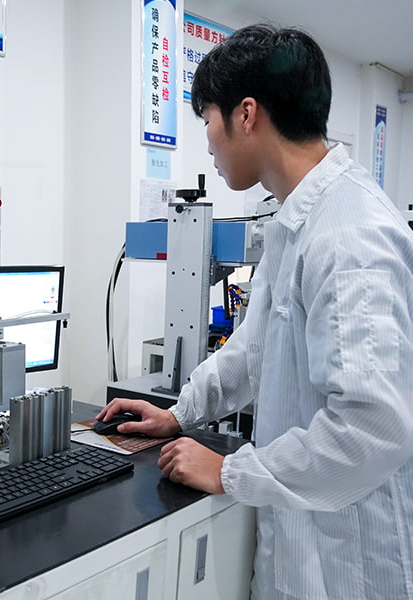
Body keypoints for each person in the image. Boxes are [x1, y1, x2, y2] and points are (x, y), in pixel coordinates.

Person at [97, 24, 413, 600]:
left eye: (207, 121)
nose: (208, 145)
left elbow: (372, 428)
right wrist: (179, 413)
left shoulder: (349, 234)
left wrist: (229, 470)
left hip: (351, 563)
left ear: (246, 115)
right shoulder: (297, 221)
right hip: (297, 545)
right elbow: (253, 348)